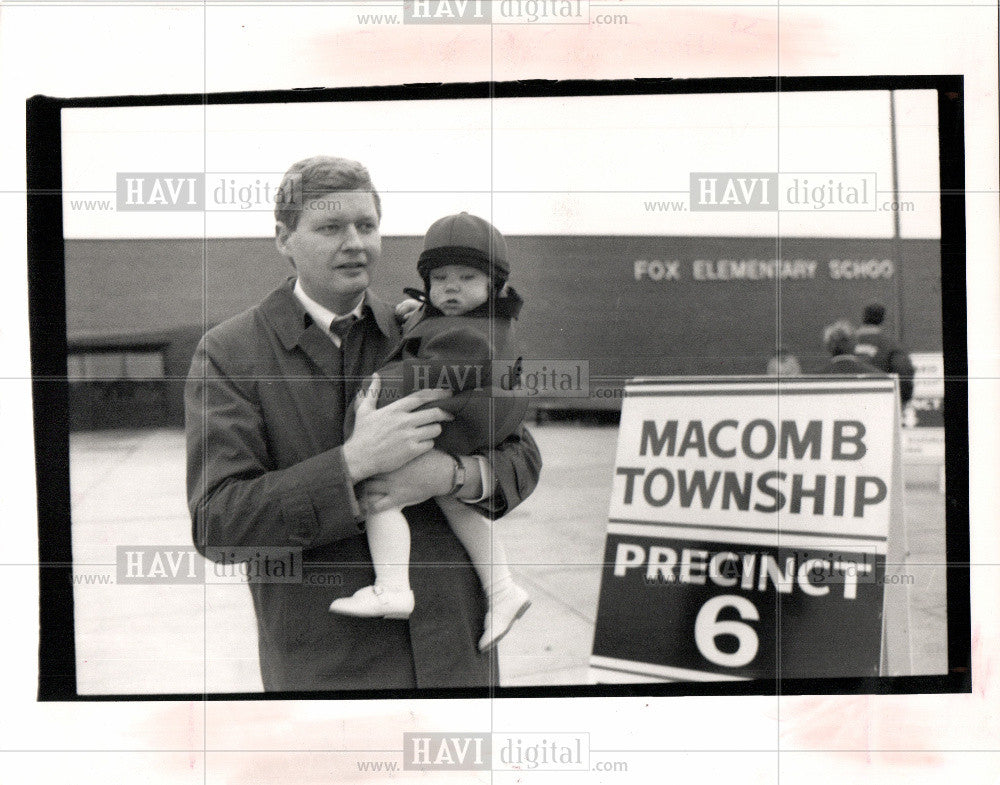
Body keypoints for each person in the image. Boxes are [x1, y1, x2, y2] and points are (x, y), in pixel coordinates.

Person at [184, 156, 542, 692]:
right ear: (284, 239)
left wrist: (451, 475)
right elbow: (219, 524)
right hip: (331, 673)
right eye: (330, 227)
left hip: (459, 657)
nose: (355, 242)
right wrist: (353, 464)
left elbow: (520, 455)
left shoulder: (431, 329)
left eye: (366, 226)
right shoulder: (230, 354)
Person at [330, 212, 532, 652]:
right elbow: (440, 330)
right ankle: (502, 590)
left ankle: (393, 588)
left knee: (381, 496)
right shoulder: (482, 321)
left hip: (447, 422)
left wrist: (373, 394)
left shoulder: (475, 336)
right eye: (439, 278)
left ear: (493, 285)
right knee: (459, 505)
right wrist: (421, 315)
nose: (450, 288)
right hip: (462, 429)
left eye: (466, 276)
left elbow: (426, 371)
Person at [853, 302, 915, 405]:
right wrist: (902, 402)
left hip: (848, 403)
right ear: (882, 319)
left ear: (863, 317)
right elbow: (904, 373)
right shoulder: (891, 346)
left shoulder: (845, 344)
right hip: (881, 404)